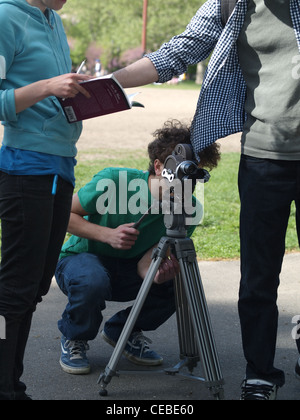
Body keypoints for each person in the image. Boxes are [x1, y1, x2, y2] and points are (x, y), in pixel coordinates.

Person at [113, 0, 300, 400]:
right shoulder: (231, 3)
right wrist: (110, 83)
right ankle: (260, 374)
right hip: (266, 157)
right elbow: (180, 50)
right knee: (259, 277)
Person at [55, 120, 220, 375]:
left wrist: (154, 274)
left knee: (180, 283)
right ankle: (75, 337)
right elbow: (62, 214)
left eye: (194, 173)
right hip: (83, 258)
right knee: (92, 280)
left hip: (129, 268)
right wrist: (107, 235)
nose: (187, 183)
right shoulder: (114, 181)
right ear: (158, 165)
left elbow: (147, 262)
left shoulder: (189, 209)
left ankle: (123, 331)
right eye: (182, 172)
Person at [0, 0, 91, 400]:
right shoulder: (6, 16)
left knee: (35, 285)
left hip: (60, 167)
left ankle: (10, 383)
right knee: (16, 288)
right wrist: (49, 87)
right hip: (25, 168)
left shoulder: (53, 21)